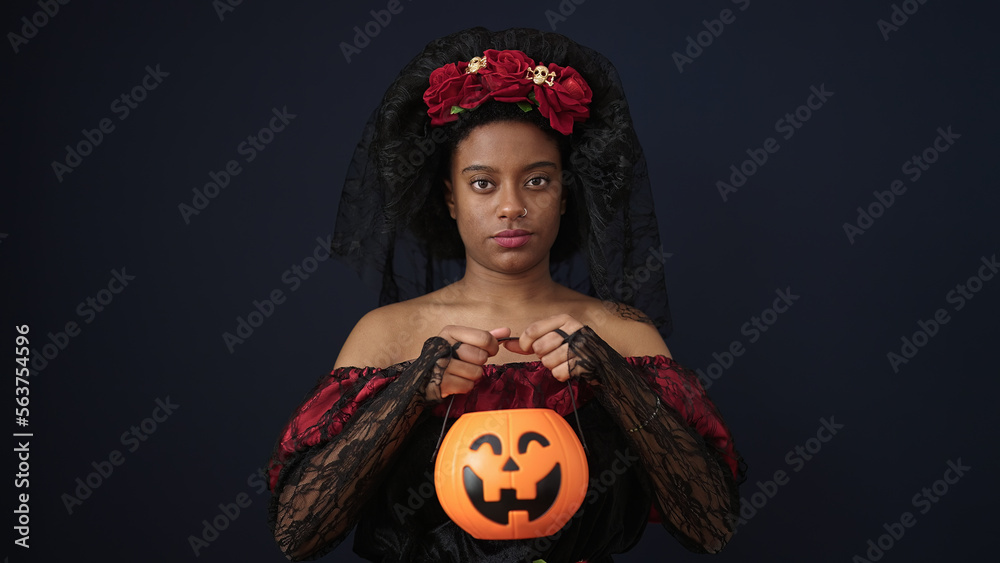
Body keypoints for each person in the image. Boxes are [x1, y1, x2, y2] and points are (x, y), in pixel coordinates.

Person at [265, 27, 744, 562]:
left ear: (565, 194)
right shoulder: (387, 334)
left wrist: (618, 380)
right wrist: (406, 396)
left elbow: (710, 524)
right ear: (450, 198)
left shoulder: (621, 332)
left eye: (537, 180)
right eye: (482, 183)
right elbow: (299, 531)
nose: (511, 205)